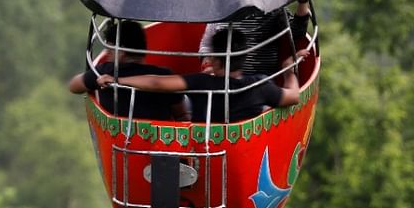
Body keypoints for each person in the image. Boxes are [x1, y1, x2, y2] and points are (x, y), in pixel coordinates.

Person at [99, 29, 306, 123]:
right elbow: (293, 96)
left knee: (185, 101)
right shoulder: (261, 85)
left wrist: (117, 80)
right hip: (239, 146)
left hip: (203, 146)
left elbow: (156, 82)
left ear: (215, 60)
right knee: (263, 108)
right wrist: (289, 70)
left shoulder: (202, 82)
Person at [69, 20, 190, 121]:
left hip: (117, 139)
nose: (108, 53)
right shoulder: (164, 75)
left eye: (110, 49)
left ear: (120, 51)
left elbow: (74, 86)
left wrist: (95, 81)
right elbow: (181, 114)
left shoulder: (105, 72)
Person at [198, 0, 312, 76]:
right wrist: (208, 64)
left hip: (259, 84)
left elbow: (296, 34)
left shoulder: (272, 9)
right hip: (222, 80)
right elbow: (207, 44)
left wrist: (303, 2)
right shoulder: (221, 9)